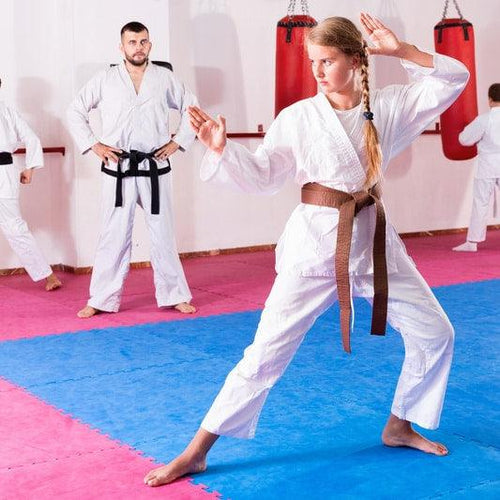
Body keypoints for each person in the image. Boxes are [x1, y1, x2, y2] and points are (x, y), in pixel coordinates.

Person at [144, 13, 469, 487]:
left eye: (328, 60)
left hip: (375, 243)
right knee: (264, 355)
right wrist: (221, 148)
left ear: (356, 61)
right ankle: (196, 451)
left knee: (436, 332)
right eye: (313, 61)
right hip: (314, 250)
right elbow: (261, 176)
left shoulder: (391, 106)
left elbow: (453, 77)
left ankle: (400, 423)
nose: (317, 71)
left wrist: (401, 52)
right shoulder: (297, 118)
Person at [67, 21, 197, 318]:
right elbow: (74, 111)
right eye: (132, 42)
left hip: (155, 165)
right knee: (113, 234)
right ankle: (100, 298)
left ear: (150, 45)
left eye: (143, 42)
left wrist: (177, 142)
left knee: (163, 233)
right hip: (119, 167)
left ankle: (175, 294)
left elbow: (192, 109)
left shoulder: (164, 78)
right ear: (121, 47)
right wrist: (94, 144)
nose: (139, 47)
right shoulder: (105, 79)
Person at [0, 78, 61, 291]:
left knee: (16, 228)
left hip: (4, 174)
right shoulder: (7, 113)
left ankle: (49, 276)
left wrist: (30, 168)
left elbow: (32, 139)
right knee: (16, 228)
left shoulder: (8, 114)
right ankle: (50, 277)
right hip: (5, 174)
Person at [452, 83, 500, 252]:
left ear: (489, 99)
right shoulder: (485, 120)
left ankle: (472, 242)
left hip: (487, 165)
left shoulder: (484, 120)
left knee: (481, 203)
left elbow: (464, 139)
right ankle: (471, 242)